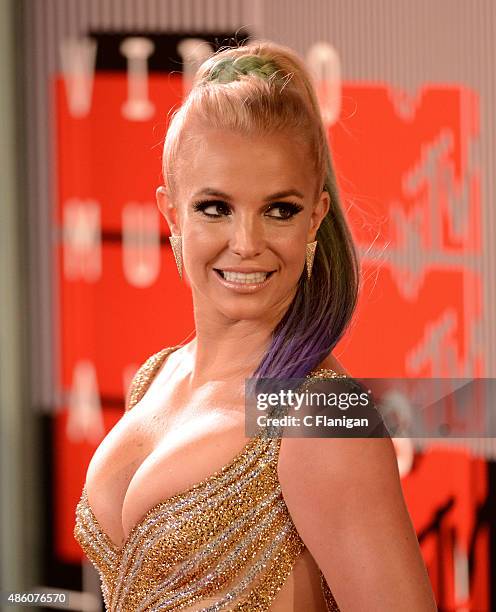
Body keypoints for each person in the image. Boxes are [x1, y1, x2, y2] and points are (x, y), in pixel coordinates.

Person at [74, 39, 437, 611]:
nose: (246, 245)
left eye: (279, 210)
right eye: (215, 207)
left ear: (314, 217)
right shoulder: (158, 375)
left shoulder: (320, 418)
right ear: (171, 212)